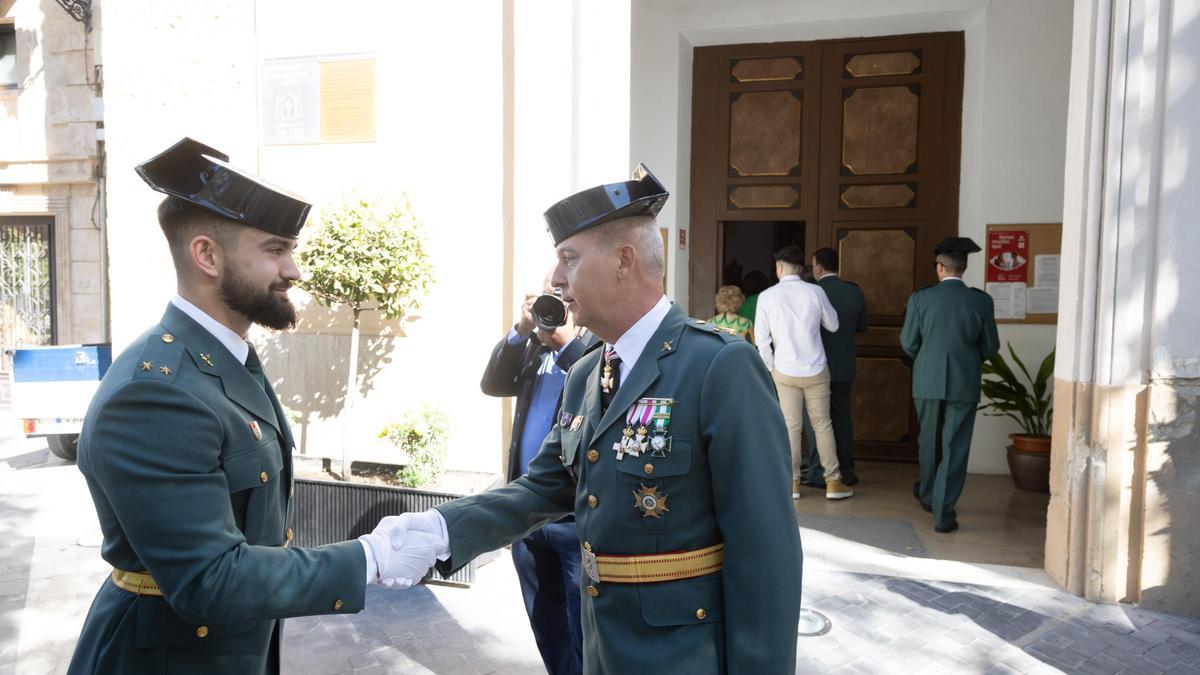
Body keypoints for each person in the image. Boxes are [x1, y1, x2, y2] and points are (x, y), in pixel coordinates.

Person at [381, 165, 802, 674]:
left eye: (568, 259)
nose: (556, 280)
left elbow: (766, 557)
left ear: (624, 260)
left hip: (684, 658)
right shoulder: (586, 373)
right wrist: (437, 530)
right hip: (603, 650)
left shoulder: (718, 366)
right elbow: (542, 489)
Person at [67, 138, 435, 675]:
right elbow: (209, 580)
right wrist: (369, 559)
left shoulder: (223, 358)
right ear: (207, 255)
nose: (294, 270)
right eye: (275, 250)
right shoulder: (157, 392)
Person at [480, 268, 596, 675]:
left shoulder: (598, 346)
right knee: (545, 623)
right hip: (528, 513)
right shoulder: (534, 345)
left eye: (562, 293)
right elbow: (493, 383)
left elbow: (603, 388)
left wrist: (566, 346)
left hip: (572, 518)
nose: (556, 301)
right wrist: (520, 328)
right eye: (549, 293)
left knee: (584, 626)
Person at [900, 236, 1000, 533]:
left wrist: (928, 359)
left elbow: (908, 342)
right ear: (964, 267)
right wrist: (967, 360)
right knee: (955, 445)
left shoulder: (921, 298)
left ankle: (929, 495)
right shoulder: (981, 301)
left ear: (940, 267)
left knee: (928, 440)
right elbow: (991, 346)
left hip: (926, 380)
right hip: (964, 381)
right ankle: (944, 512)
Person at [755, 245, 853, 500]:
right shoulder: (815, 291)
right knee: (822, 425)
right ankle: (833, 482)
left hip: (784, 370)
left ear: (778, 268)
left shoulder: (766, 296)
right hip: (816, 369)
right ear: (801, 268)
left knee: (790, 427)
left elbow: (762, 341)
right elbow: (833, 325)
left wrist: (771, 367)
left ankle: (792, 483)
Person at [801, 247, 868, 488]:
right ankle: (846, 470)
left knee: (816, 420)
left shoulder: (812, 292)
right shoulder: (854, 292)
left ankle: (818, 472)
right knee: (841, 417)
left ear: (818, 267)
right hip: (844, 365)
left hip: (815, 366)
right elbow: (862, 326)